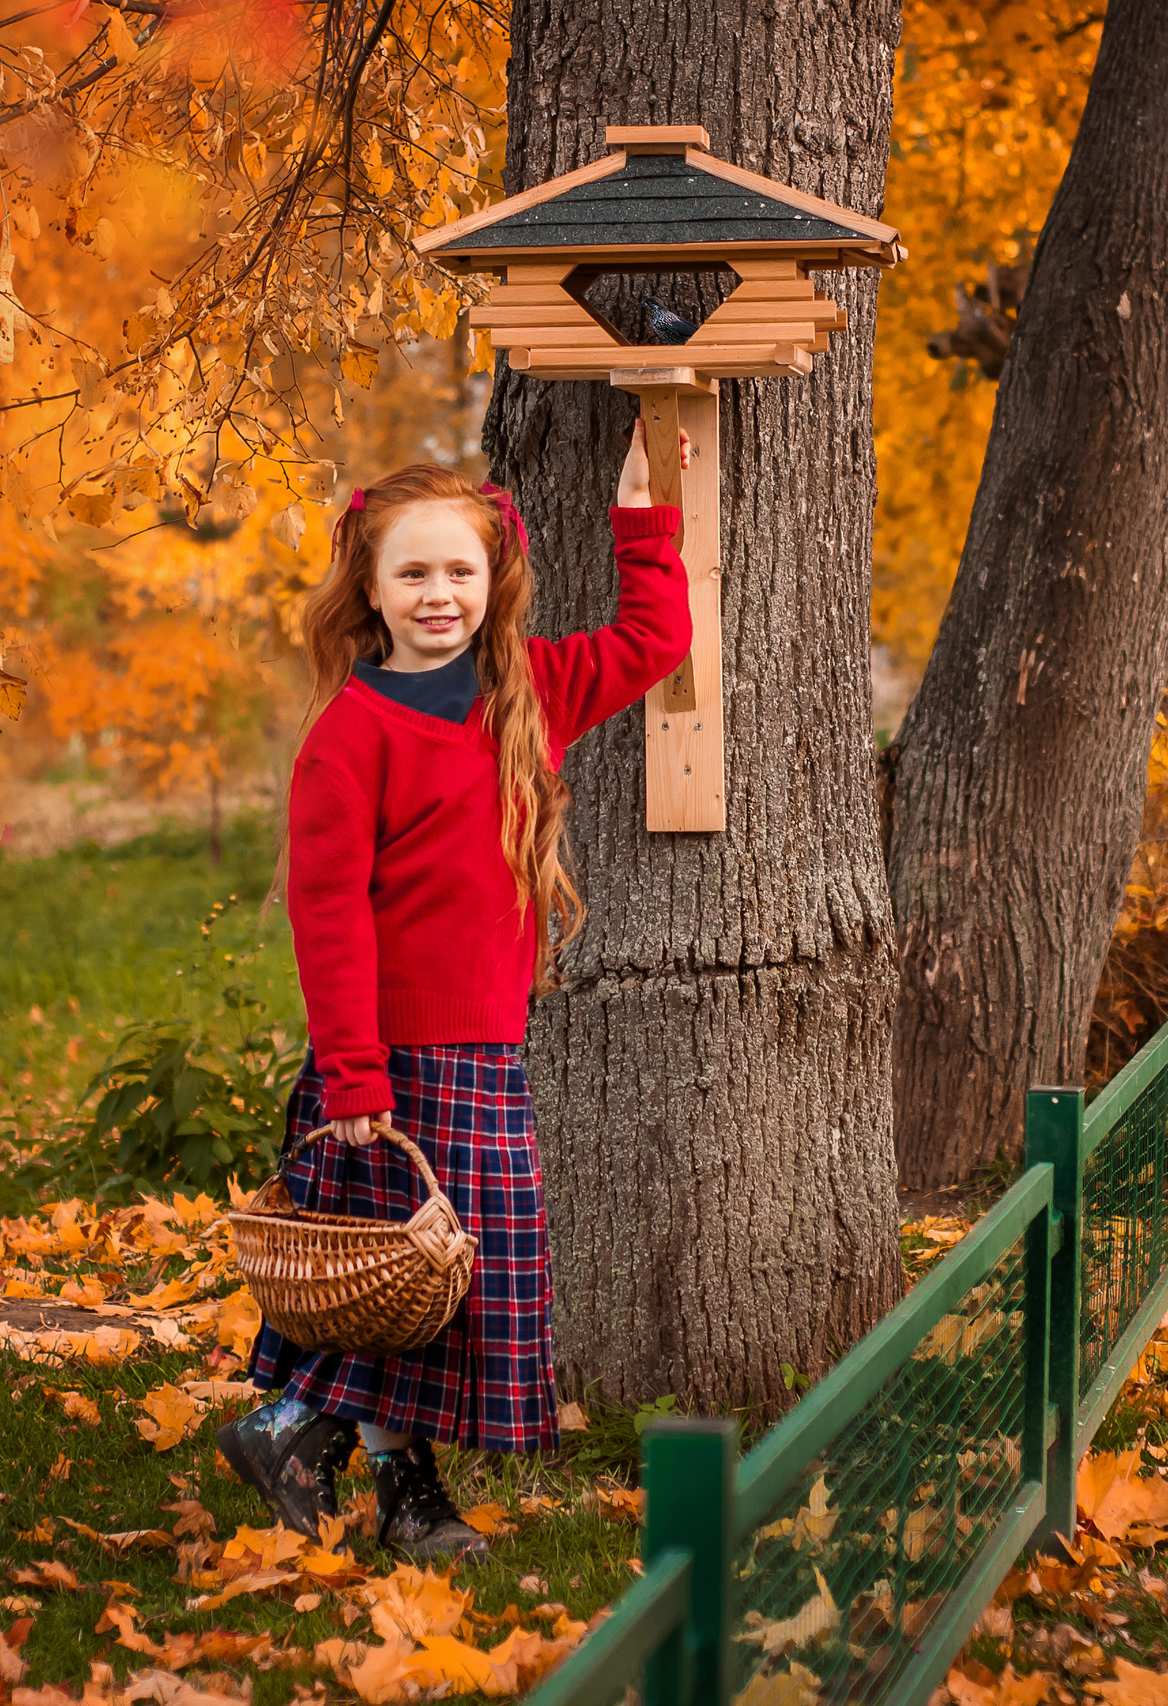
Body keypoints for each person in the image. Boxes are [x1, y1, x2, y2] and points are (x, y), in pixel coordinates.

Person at [218, 421, 691, 1560]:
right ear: (369, 590)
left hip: (483, 1051)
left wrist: (644, 506)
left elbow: (655, 635)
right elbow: (329, 917)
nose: (439, 593)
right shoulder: (348, 736)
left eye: (460, 570)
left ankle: (314, 1444)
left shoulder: (529, 690)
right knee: (398, 1284)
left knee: (441, 1290)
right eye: (413, 572)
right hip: (384, 1062)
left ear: (496, 579)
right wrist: (352, 1074)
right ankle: (358, 1468)